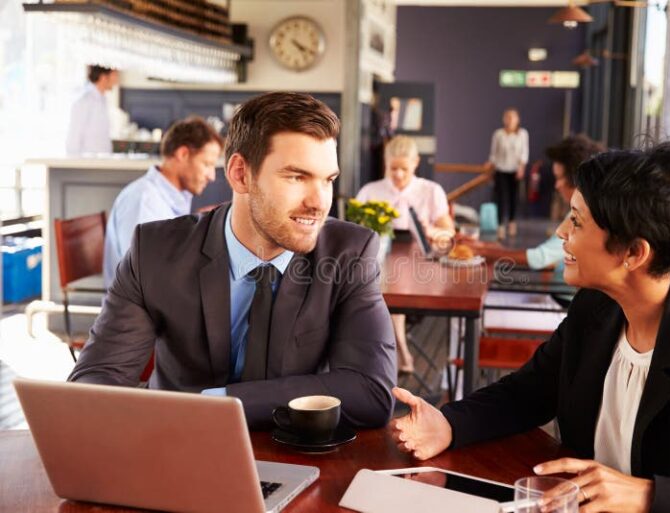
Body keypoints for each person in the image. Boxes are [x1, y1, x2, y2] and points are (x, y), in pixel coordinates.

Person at [391, 142, 670, 512]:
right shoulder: (596, 310)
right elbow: (527, 393)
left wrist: (649, 497)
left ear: (634, 253)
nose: (560, 232)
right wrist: (448, 424)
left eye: (575, 221)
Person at [69, 92, 397, 430]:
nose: (318, 203)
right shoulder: (153, 251)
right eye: (297, 177)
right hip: (176, 447)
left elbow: (371, 392)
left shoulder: (350, 253)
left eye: (327, 180)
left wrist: (221, 403)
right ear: (240, 174)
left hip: (297, 453)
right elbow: (97, 378)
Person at [356, 135, 454, 373]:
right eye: (393, 168)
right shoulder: (371, 190)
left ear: (416, 163)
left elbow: (449, 235)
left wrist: (429, 229)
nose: (398, 175)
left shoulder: (431, 191)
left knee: (389, 289)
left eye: (404, 169)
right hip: (378, 265)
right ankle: (398, 351)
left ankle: (397, 352)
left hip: (421, 271)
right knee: (382, 286)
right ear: (385, 163)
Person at [103, 116, 224, 287]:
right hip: (139, 311)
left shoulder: (168, 197)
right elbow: (146, 277)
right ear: (183, 154)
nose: (211, 176)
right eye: (206, 164)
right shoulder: (143, 201)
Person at [466, 135, 604, 271]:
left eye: (558, 178)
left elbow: (541, 258)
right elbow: (551, 257)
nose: (556, 185)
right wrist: (486, 248)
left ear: (576, 179)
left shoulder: (587, 216)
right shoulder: (584, 212)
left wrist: (482, 251)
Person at [486, 108, 529, 238]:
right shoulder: (498, 134)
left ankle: (511, 222)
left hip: (515, 171)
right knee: (501, 198)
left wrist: (521, 167)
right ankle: (500, 225)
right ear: (504, 119)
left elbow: (524, 152)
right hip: (501, 170)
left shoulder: (522, 134)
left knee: (513, 198)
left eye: (513, 117)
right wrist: (489, 164)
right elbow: (494, 154)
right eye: (507, 117)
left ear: (517, 119)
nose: (510, 120)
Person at [65, 65, 119, 156]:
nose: (116, 80)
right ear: (103, 77)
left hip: (101, 160)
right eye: (114, 75)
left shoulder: (103, 99)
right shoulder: (84, 101)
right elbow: (74, 137)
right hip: (88, 161)